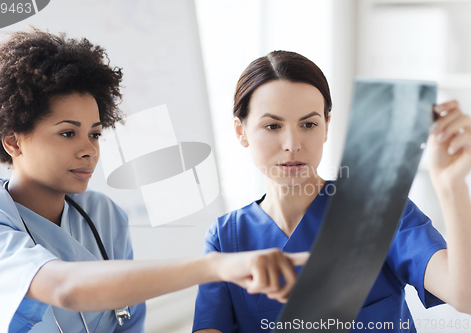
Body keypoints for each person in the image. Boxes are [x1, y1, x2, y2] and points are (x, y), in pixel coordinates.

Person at [0, 31, 309, 333]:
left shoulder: (104, 215)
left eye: (95, 134)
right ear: (13, 142)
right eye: (67, 133)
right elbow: (64, 289)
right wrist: (216, 266)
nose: (89, 150)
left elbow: (128, 322)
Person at [192, 50, 471, 333]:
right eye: (272, 126)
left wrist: (453, 186)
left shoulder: (378, 208)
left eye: (309, 124)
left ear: (326, 126)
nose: (292, 144)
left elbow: (465, 296)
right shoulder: (226, 239)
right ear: (241, 132)